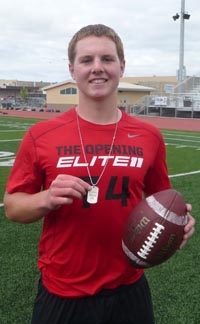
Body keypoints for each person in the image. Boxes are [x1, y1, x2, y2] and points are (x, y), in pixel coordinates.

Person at [4, 24, 195, 324]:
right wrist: (47, 198)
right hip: (63, 292)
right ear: (72, 69)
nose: (97, 68)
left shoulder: (149, 136)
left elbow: (163, 200)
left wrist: (178, 221)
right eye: (86, 60)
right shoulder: (41, 135)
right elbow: (13, 207)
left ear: (122, 66)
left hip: (129, 289)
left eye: (107, 59)